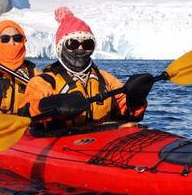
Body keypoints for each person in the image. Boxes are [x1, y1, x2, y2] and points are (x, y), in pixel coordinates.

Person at [23, 7, 155, 128]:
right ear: (60, 47)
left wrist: (136, 100)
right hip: (61, 144)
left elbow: (130, 115)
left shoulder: (106, 79)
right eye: (72, 43)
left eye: (87, 44)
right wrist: (52, 104)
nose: (80, 49)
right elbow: (27, 112)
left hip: (102, 141)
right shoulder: (45, 81)